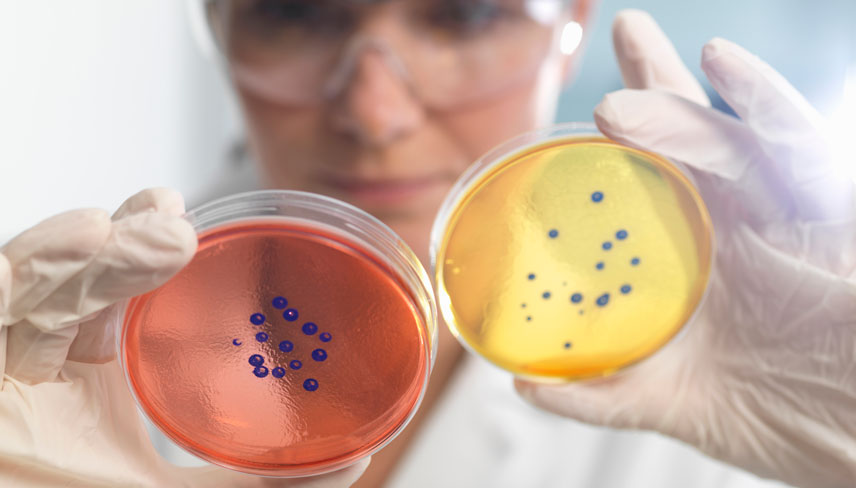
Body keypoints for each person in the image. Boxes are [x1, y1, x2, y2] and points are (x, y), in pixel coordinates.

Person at [0, 1, 854, 487]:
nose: (375, 111)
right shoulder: (47, 368)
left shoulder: (701, 402)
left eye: (466, 15)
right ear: (217, 26)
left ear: (572, 25)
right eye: (296, 12)